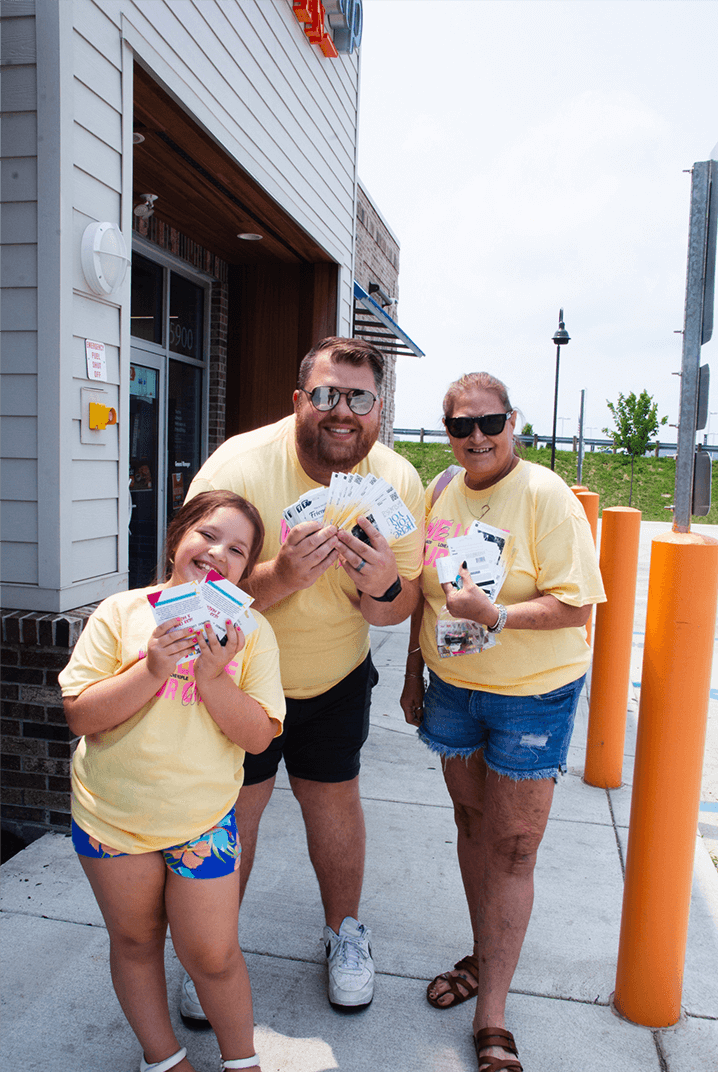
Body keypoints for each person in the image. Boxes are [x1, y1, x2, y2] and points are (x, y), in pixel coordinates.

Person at [183, 336, 424, 1011]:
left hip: (334, 677)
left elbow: (400, 608)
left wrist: (382, 589)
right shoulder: (239, 467)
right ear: (298, 402)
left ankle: (345, 934)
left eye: (358, 398)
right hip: (236, 676)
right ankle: (211, 952)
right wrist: (278, 577)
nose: (340, 411)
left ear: (379, 408)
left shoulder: (397, 480)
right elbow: (187, 589)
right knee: (233, 816)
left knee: (334, 804)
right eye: (324, 395)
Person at [400, 373, 605, 1072]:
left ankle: (492, 1016)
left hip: (533, 695)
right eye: (462, 427)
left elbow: (578, 607)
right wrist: (410, 676)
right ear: (448, 432)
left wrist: (500, 617)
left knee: (514, 846)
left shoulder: (545, 495)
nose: (477, 438)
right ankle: (484, 954)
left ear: (512, 421)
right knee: (469, 826)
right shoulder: (439, 493)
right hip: (453, 688)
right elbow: (428, 599)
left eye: (490, 422)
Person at [59, 491, 286, 1072]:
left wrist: (213, 679)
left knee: (213, 954)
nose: (218, 553)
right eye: (207, 535)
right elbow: (82, 715)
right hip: (112, 817)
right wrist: (154, 666)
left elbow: (259, 736)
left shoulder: (251, 632)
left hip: (200, 821)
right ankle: (163, 1058)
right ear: (177, 537)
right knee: (136, 943)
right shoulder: (122, 613)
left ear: (246, 570)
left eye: (237, 550)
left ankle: (242, 1060)